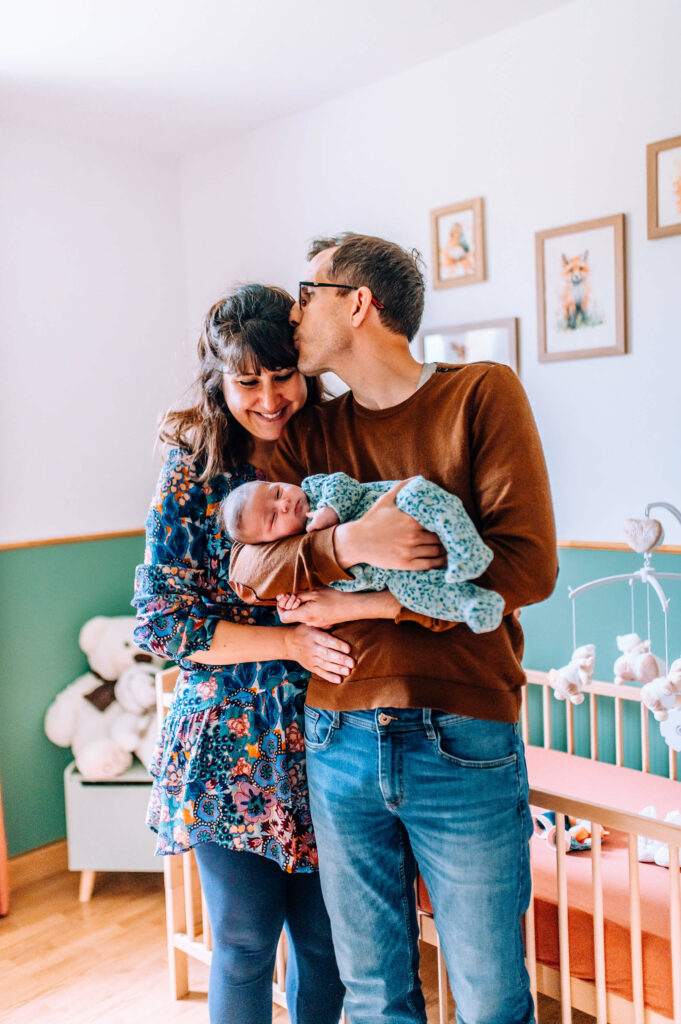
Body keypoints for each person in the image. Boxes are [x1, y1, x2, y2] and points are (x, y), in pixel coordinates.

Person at [229, 235, 559, 1024]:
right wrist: (350, 544)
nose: (293, 313)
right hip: (336, 734)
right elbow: (250, 571)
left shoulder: (480, 394)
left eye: (306, 295)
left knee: (489, 997)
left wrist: (367, 605)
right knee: (374, 994)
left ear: (358, 303)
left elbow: (525, 569)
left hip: (462, 729)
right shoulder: (309, 434)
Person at [132, 284, 361, 1024]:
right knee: (242, 940)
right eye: (247, 382)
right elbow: (164, 623)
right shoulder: (192, 470)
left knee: (327, 944)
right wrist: (289, 642)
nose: (268, 399)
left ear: (305, 368)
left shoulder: (333, 447)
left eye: (282, 376)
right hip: (229, 738)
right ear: (219, 381)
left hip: (332, 731)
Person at [222, 472, 505, 632]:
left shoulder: (314, 489)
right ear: (272, 544)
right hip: (400, 572)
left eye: (276, 492)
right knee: (412, 594)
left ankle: (468, 550)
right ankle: (471, 604)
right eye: (273, 518)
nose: (283, 504)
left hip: (403, 507)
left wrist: (331, 510)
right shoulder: (299, 554)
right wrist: (295, 603)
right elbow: (327, 595)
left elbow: (343, 483)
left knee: (418, 493)